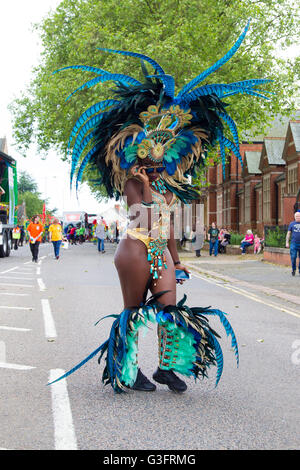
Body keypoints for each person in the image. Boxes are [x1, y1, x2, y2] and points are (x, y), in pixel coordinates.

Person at [49, 22, 272, 392]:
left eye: (164, 150)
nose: (158, 157)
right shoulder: (135, 184)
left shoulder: (171, 188)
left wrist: (177, 257)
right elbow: (147, 218)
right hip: (134, 252)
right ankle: (128, 370)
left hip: (160, 253)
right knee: (134, 315)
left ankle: (167, 369)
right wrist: (149, 187)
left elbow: (166, 228)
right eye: (151, 150)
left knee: (171, 311)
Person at [286, 212, 300, 276]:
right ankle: (293, 269)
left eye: (299, 216)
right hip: (294, 243)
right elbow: (288, 233)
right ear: (294, 217)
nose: (298, 217)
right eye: (296, 216)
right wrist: (287, 242)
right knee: (293, 256)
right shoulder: (292, 224)